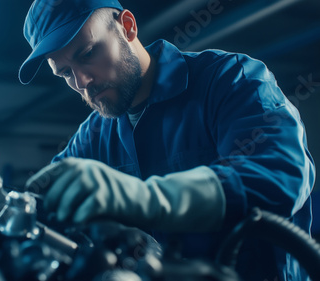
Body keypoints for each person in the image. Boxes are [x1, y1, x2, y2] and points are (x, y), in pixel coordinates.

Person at [18, 0, 315, 280]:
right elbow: (42, 203)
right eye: (66, 73)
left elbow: (280, 173)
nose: (82, 82)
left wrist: (149, 198)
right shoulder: (92, 136)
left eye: (88, 54)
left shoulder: (229, 80)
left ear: (128, 26)